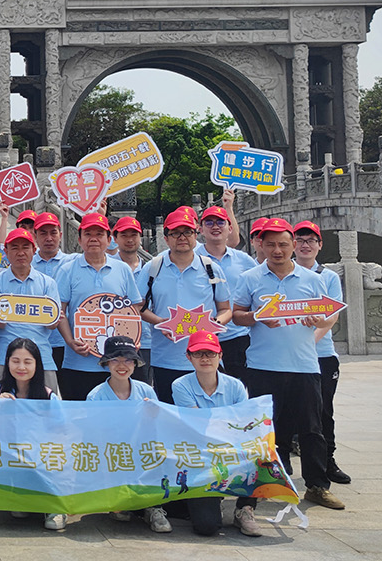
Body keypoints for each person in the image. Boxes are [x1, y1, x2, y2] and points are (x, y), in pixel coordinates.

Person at [232, 217, 345, 510]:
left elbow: (327, 315)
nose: (277, 250)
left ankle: (317, 486)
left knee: (311, 429)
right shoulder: (251, 278)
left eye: (283, 244)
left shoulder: (313, 279)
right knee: (263, 430)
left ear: (294, 245)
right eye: (270, 244)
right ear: (261, 245)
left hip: (304, 365)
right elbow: (236, 314)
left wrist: (317, 320)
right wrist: (257, 317)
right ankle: (257, 487)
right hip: (262, 366)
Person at [170, 330, 263, 537]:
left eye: (211, 353)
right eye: (198, 354)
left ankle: (245, 509)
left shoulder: (236, 386)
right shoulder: (181, 385)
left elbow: (243, 424)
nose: (205, 359)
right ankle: (212, 501)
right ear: (188, 357)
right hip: (200, 455)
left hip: (231, 449)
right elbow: (197, 425)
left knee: (259, 450)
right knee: (207, 527)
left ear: (220, 356)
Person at [139, 208, 232, 404]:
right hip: (166, 358)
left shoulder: (211, 268)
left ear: (196, 234)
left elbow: (226, 309)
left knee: (209, 417)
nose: (182, 237)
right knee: (170, 419)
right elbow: (138, 307)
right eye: (175, 233)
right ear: (166, 237)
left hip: (206, 358)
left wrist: (213, 323)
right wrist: (159, 322)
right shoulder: (153, 267)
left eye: (187, 232)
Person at [89, 336, 171, 534]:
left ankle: (153, 507)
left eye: (128, 360)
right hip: (113, 453)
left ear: (135, 363)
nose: (122, 365)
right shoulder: (96, 396)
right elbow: (94, 434)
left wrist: (151, 413)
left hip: (142, 450)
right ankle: (120, 500)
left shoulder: (146, 391)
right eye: (115, 360)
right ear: (106, 363)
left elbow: (158, 427)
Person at [55, 213, 141, 400]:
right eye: (88, 234)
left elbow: (133, 309)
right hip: (78, 362)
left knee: (113, 420)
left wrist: (135, 338)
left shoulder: (122, 269)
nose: (93, 239)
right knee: (78, 419)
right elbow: (59, 312)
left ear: (109, 240)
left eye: (99, 234)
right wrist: (70, 342)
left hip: (115, 363)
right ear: (79, 239)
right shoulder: (67, 270)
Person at [293, 220, 351, 485]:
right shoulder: (282, 275)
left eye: (311, 241)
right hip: (288, 356)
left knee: (323, 411)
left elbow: (331, 318)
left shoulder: (327, 277)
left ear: (319, 245)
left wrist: (308, 343)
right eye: (301, 240)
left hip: (321, 355)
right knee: (288, 412)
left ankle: (328, 461)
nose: (305, 245)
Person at [0, 338, 64, 530]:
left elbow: (61, 432)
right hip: (11, 455)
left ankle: (55, 508)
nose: (21, 367)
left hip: (41, 456)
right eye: (15, 361)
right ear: (7, 363)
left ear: (37, 365)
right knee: (18, 511)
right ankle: (23, 498)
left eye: (28, 362)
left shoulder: (48, 395)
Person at [0, 228, 61, 396]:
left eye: (25, 247)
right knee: (0, 409)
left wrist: (54, 321)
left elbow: (51, 325)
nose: (20, 253)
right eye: (14, 248)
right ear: (5, 251)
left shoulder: (47, 284)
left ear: (33, 251)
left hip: (41, 356)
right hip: (4, 357)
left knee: (46, 410)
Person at [196, 204, 258, 381]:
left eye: (220, 222)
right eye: (209, 222)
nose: (215, 226)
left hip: (237, 335)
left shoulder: (244, 260)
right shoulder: (192, 258)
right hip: (201, 335)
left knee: (239, 389)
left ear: (230, 228)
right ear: (200, 229)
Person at [112, 216, 153, 385]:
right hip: (115, 340)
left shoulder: (152, 268)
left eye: (134, 235)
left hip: (146, 340)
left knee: (144, 389)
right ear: (114, 239)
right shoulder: (109, 268)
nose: (129, 240)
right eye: (124, 235)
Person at [31, 212, 72, 368]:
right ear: (35, 236)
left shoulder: (72, 262)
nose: (49, 238)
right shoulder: (26, 264)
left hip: (64, 341)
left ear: (60, 235)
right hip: (34, 340)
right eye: (43, 233)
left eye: (53, 233)